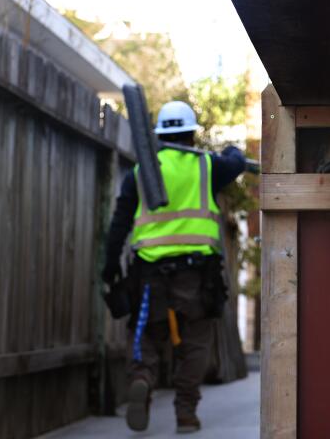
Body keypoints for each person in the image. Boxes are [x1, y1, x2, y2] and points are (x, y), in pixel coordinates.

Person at [101, 100, 245, 434]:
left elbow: (119, 223)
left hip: (150, 274)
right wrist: (234, 149)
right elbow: (235, 164)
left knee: (146, 336)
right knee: (195, 342)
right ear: (191, 135)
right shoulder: (207, 167)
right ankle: (186, 414)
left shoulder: (140, 173)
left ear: (160, 135)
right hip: (196, 276)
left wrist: (109, 268)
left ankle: (142, 377)